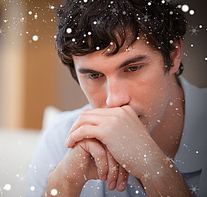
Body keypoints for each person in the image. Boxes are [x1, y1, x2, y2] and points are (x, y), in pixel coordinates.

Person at [26, 0, 207, 196]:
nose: (115, 101)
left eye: (133, 68)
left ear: (173, 54)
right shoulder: (61, 137)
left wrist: (154, 168)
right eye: (94, 76)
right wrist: (65, 183)